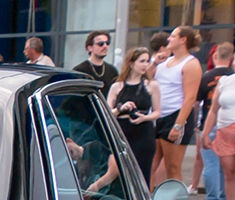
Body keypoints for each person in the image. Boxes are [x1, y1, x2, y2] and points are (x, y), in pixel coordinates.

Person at [152, 26, 201, 186]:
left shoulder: (191, 64)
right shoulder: (163, 63)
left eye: (173, 36)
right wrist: (154, 62)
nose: (169, 39)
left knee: (172, 167)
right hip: (157, 116)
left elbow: (190, 97)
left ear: (183, 40)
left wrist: (178, 125)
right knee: (150, 164)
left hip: (175, 116)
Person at [109, 47, 159, 183]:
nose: (145, 65)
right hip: (122, 132)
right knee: (120, 175)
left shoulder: (152, 85)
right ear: (131, 63)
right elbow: (107, 114)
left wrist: (145, 118)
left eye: (147, 61)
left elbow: (157, 112)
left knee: (143, 174)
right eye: (142, 61)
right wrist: (120, 108)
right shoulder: (117, 86)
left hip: (144, 132)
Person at [197, 42, 234, 200]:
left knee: (211, 164)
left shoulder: (207, 76)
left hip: (219, 125)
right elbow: (212, 109)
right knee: (226, 170)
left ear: (215, 56)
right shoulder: (227, 80)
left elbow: (196, 102)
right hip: (221, 127)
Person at [203, 63, 235, 200]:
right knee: (229, 171)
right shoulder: (224, 81)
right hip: (224, 131)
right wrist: (206, 133)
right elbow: (213, 110)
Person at [73, 30, 116, 97]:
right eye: (101, 44)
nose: (105, 46)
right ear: (90, 48)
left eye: (107, 43)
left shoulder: (112, 71)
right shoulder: (79, 70)